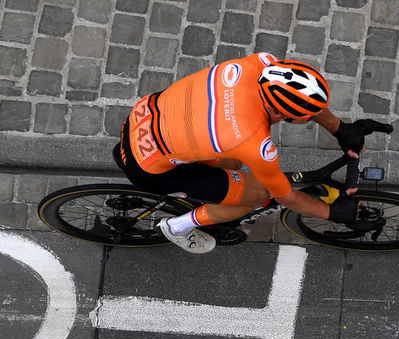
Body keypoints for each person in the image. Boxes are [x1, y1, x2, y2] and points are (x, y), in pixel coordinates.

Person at [113, 52, 370, 254]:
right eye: (306, 117)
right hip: (146, 166)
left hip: (140, 119)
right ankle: (177, 227)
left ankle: (212, 193)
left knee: (233, 162)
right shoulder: (252, 140)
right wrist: (332, 213)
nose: (313, 118)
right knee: (258, 195)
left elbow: (298, 95)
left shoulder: (261, 63)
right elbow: (287, 197)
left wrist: (340, 129)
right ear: (281, 115)